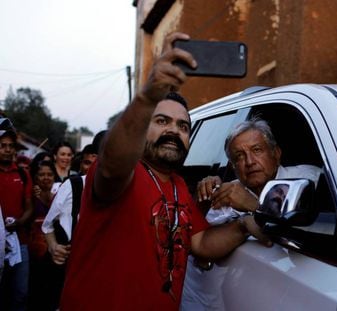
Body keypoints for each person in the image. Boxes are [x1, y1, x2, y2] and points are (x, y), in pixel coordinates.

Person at [59, 32, 265, 311]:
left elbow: (201, 242)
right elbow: (112, 164)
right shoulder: (124, 174)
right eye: (162, 120)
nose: (173, 130)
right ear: (144, 127)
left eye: (183, 126)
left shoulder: (178, 185)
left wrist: (244, 225)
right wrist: (148, 95)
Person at [180, 118, 322, 310]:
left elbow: (317, 234)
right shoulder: (225, 195)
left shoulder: (310, 179)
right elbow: (200, 251)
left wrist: (252, 205)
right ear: (233, 167)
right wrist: (203, 205)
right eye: (239, 156)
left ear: (276, 154)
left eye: (257, 150)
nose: (249, 162)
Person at [40, 133, 104, 310]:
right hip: (69, 274)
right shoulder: (74, 186)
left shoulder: (130, 193)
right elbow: (47, 225)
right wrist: (53, 247)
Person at [0, 117, 34, 311]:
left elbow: (29, 207)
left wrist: (19, 223)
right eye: (2, 145)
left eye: (10, 146)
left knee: (20, 294)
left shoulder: (22, 174)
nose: (7, 149)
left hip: (19, 242)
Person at [27, 160, 60, 311]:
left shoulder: (59, 193)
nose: (46, 178)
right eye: (41, 174)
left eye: (49, 174)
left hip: (53, 251)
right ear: (35, 176)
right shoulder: (30, 195)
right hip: (35, 251)